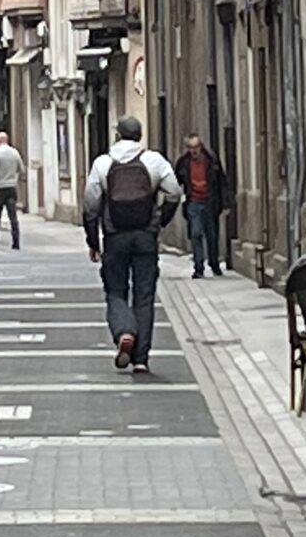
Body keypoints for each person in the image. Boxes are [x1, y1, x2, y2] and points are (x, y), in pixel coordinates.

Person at [83, 115, 182, 374]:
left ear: (117, 135)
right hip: (145, 236)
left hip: (115, 236)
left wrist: (93, 241)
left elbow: (90, 204)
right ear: (139, 136)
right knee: (144, 295)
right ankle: (141, 359)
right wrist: (160, 220)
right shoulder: (154, 160)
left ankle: (124, 331)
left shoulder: (103, 163)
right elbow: (174, 192)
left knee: (115, 291)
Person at [173, 134, 231, 277]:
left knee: (212, 235)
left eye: (196, 147)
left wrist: (225, 202)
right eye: (190, 147)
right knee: (196, 233)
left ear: (201, 146)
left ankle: (214, 263)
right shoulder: (183, 163)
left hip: (210, 201)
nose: (194, 151)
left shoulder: (211, 161)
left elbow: (221, 182)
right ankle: (198, 267)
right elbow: (176, 181)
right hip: (193, 201)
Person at [0, 128, 24, 249]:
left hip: (0, 187)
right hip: (11, 187)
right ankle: (16, 241)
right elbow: (21, 168)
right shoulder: (15, 152)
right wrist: (14, 177)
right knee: (12, 215)